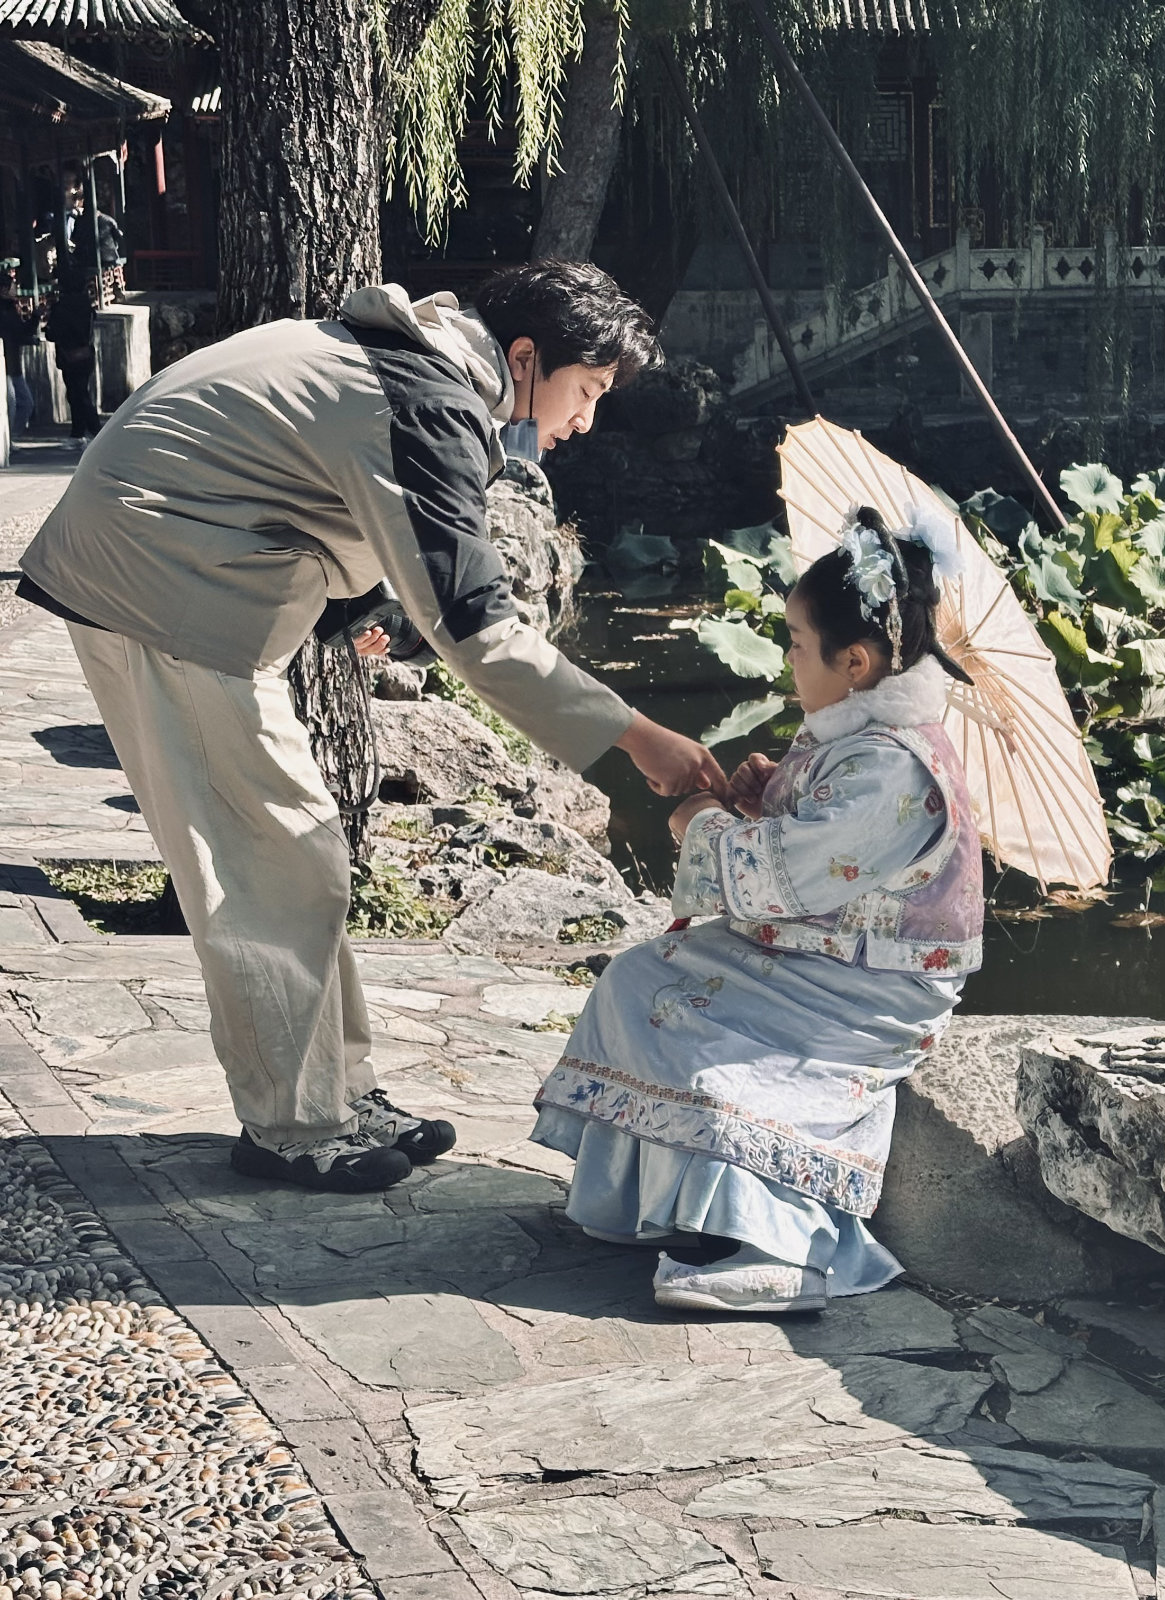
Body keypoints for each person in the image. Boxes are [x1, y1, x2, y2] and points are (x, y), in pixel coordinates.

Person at [18, 260, 726, 1195]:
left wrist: (358, 611)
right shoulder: (426, 399)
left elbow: (314, 489)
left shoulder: (413, 369)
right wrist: (641, 739)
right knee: (272, 865)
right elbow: (477, 626)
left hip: (172, 573)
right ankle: (294, 1127)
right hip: (161, 593)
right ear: (525, 358)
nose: (587, 420)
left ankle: (340, 1097)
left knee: (301, 855)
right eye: (588, 390)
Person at [532, 505, 985, 1315]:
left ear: (854, 661)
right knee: (640, 980)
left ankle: (786, 1249)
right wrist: (767, 795)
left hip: (867, 990)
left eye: (797, 644)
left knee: (710, 1047)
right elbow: (820, 844)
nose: (788, 657)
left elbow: (792, 871)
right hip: (821, 954)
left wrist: (703, 823)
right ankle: (667, 1203)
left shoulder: (895, 768)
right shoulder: (861, 731)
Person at [43, 268, 101, 443]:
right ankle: (79, 431)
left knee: (77, 395)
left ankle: (92, 430)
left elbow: (53, 333)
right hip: (86, 353)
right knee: (80, 393)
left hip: (70, 355)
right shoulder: (86, 306)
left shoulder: (61, 307)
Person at [0, 271, 40, 438]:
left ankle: (12, 436)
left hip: (13, 363)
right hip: (6, 364)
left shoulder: (11, 308)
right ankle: (9, 438)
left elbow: (20, 332)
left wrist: (34, 319)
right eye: (12, 286)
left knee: (25, 403)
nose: (15, 289)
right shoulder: (6, 311)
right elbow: (17, 332)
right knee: (13, 403)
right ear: (3, 289)